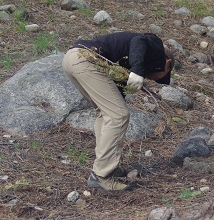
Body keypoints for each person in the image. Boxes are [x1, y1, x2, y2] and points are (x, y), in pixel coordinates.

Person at [62, 32, 174, 191]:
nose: (153, 79)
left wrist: (133, 72)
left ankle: (106, 167)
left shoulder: (126, 60)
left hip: (71, 59)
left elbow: (116, 95)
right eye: (161, 77)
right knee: (118, 116)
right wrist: (137, 70)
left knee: (105, 113)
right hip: (85, 59)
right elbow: (139, 40)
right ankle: (102, 175)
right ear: (167, 63)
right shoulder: (155, 46)